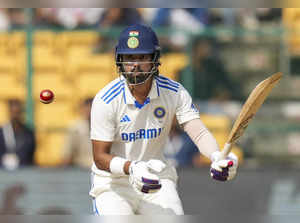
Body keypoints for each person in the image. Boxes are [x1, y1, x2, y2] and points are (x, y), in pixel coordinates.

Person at [89, 24, 238, 215]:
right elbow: (100, 157)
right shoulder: (106, 99)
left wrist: (216, 156)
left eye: (142, 57)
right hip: (114, 184)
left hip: (156, 178)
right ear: (120, 60)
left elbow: (198, 132)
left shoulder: (174, 92)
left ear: (154, 59)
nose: (134, 65)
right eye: (129, 58)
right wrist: (131, 168)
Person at [0, 99, 36, 170]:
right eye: (13, 113)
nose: (15, 116)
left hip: (23, 170)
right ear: (9, 113)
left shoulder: (28, 133)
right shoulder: (1, 132)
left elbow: (30, 154)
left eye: (17, 113)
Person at [61, 97, 94, 169]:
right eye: (87, 107)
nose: (89, 111)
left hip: (101, 169)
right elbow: (67, 154)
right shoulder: (75, 128)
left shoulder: (105, 126)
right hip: (80, 168)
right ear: (82, 109)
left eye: (91, 107)